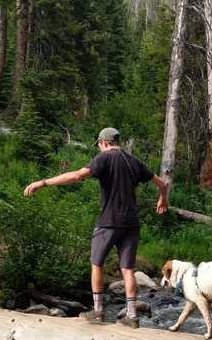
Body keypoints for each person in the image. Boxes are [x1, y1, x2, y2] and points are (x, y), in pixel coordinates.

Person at [23, 127, 169, 328]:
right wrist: (163, 199)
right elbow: (162, 184)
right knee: (128, 269)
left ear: (104, 142)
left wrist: (44, 182)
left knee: (97, 264)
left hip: (109, 221)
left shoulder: (105, 158)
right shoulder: (133, 161)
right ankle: (132, 316)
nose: (100, 148)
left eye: (99, 145)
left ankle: (98, 312)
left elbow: (76, 176)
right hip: (132, 223)